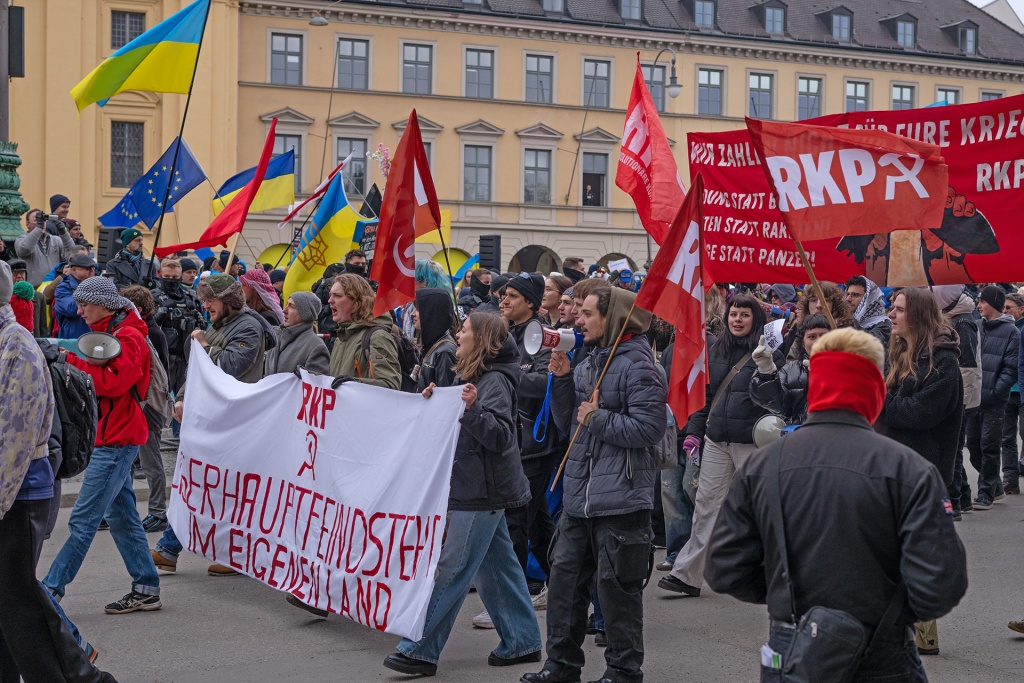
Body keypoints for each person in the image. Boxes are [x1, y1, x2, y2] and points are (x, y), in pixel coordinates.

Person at [704, 327, 969, 683]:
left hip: (792, 642)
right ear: (875, 390)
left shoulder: (761, 466)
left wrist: (788, 597)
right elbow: (941, 584)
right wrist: (892, 610)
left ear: (816, 389)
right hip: (883, 648)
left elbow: (724, 568)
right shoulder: (910, 469)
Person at [383, 313, 542, 677]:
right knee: (496, 569)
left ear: (482, 339)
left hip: (482, 491)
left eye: (465, 330)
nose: (458, 333)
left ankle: (420, 649)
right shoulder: (473, 376)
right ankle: (522, 641)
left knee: (453, 568)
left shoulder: (496, 381)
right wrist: (439, 401)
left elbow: (501, 437)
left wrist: (470, 408)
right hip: (478, 486)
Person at [522, 284, 666, 683]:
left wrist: (597, 417)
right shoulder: (592, 359)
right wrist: (565, 380)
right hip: (580, 496)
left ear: (613, 318)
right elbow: (571, 424)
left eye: (587, 313)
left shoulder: (639, 364)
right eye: (578, 312)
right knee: (565, 584)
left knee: (618, 593)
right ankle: (561, 666)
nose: (577, 320)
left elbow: (649, 428)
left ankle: (623, 671)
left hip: (621, 499)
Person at [0, 261, 118, 683]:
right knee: (10, 599)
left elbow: (14, 435)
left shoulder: (16, 344)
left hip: (20, 492)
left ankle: (85, 676)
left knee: (20, 597)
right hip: (11, 489)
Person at [42, 276, 162, 614]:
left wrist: (67, 361)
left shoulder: (129, 336)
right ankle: (146, 587)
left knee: (82, 520)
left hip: (117, 438)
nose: (78, 310)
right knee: (122, 516)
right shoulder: (115, 332)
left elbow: (111, 384)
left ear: (104, 304)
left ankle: (49, 592)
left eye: (84, 304)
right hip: (111, 436)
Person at [154, 273, 276, 576]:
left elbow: (230, 368)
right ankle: (173, 549)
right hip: (213, 419)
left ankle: (190, 549)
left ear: (229, 301)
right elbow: (197, 372)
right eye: (205, 299)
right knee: (201, 485)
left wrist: (204, 345)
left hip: (234, 422)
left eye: (211, 300)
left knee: (215, 488)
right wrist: (182, 398)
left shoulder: (247, 326)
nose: (206, 305)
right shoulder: (221, 324)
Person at [659, 294, 780, 598]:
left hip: (752, 444)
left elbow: (776, 399)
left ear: (756, 319)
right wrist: (695, 434)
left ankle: (780, 573)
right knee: (705, 506)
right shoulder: (714, 349)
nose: (737, 320)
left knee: (762, 509)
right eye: (733, 314)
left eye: (744, 315)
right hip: (717, 440)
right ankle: (687, 575)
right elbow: (706, 397)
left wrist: (767, 369)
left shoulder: (768, 350)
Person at [878, 287, 963, 656]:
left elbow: (918, 414)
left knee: (915, 553)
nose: (890, 315)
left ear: (919, 315)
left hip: (923, 473)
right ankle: (899, 624)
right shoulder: (898, 354)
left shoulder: (944, 364)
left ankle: (919, 629)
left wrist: (880, 398)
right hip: (892, 467)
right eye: (891, 308)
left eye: (897, 310)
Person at [497, 273, 559, 623]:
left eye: (513, 297)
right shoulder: (507, 333)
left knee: (518, 521)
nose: (504, 301)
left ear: (531, 304)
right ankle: (563, 582)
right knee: (537, 524)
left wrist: (505, 372)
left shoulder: (543, 337)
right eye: (504, 295)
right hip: (515, 439)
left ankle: (513, 600)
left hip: (534, 442)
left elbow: (544, 383)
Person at [120, 285, 171, 533]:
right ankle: (121, 509)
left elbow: (158, 376)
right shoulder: (142, 329)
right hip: (137, 404)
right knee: (127, 461)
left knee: (151, 462)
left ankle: (158, 512)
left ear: (137, 309)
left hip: (149, 405)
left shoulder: (151, 332)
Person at [966, 286, 1020, 506]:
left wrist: (997, 392)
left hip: (994, 402)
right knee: (973, 446)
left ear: (994, 304)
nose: (979, 305)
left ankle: (986, 493)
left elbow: (1010, 368)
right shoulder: (977, 326)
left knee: (989, 446)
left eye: (983, 302)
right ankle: (996, 486)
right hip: (974, 399)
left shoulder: (1012, 332)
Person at [749, 314, 831, 425]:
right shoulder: (790, 370)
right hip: (801, 439)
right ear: (802, 342)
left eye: (824, 335)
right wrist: (766, 370)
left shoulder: (849, 369)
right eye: (812, 337)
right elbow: (778, 406)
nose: (819, 341)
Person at [327, 273, 401, 389]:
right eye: (330, 295)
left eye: (337, 295)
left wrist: (353, 384)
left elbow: (390, 385)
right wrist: (309, 376)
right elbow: (333, 382)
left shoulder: (377, 337)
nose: (330, 300)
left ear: (357, 301)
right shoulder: (340, 338)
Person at [152, 259, 206, 397]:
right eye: (167, 277)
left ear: (180, 276)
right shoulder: (153, 297)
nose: (171, 280)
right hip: (163, 357)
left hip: (186, 357)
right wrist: (156, 319)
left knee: (186, 398)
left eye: (175, 277)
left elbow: (204, 326)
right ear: (160, 275)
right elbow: (143, 328)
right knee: (159, 398)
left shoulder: (190, 298)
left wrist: (200, 321)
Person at [264, 291, 330, 376]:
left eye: (291, 306)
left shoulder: (316, 347)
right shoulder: (276, 336)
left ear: (305, 313)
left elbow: (315, 385)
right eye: (287, 304)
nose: (284, 310)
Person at [14, 208, 74, 287]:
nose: (41, 223)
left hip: (53, 287)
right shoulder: (21, 239)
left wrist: (64, 233)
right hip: (33, 289)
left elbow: (72, 254)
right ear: (27, 224)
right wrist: (38, 229)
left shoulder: (56, 239)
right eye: (37, 220)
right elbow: (24, 250)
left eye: (42, 220)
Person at [413, 287, 458, 391]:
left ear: (432, 312)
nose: (413, 313)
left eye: (418, 309)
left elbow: (445, 395)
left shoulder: (445, 352)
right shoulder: (430, 344)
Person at [1004, 293, 1024, 490]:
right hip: (1007, 390)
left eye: (1009, 307)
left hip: (1021, 389)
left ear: (1021, 309)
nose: (1005, 311)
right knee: (1006, 437)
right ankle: (1010, 478)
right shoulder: (1003, 328)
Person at [52, 253, 97, 340]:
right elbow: (72, 309)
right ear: (74, 270)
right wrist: (90, 288)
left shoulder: (95, 284)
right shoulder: (63, 287)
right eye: (87, 268)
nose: (92, 271)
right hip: (73, 338)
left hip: (93, 334)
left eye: (92, 268)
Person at [845, 275, 892, 350]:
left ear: (869, 299)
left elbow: (872, 344)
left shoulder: (884, 324)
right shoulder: (846, 320)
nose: (848, 299)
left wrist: (848, 321)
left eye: (855, 295)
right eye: (847, 294)